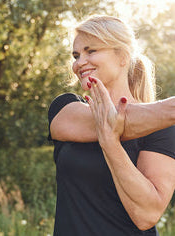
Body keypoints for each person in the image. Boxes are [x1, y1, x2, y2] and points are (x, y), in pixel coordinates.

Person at [48, 15, 175, 236]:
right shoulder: (66, 108)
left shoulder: (162, 129)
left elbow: (146, 216)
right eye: (76, 55)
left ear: (123, 57)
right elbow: (108, 119)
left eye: (91, 51)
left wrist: (111, 144)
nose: (79, 63)